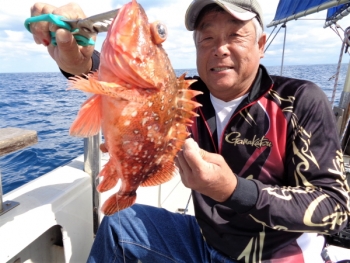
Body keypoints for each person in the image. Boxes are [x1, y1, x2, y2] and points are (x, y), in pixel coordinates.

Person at [29, 0, 350, 262]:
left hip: (277, 257)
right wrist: (78, 60)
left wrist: (233, 189)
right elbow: (126, 86)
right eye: (207, 37)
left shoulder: (300, 101)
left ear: (261, 44)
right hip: (204, 242)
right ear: (196, 47)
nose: (219, 48)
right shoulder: (184, 97)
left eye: (236, 35)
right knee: (117, 225)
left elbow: (335, 208)